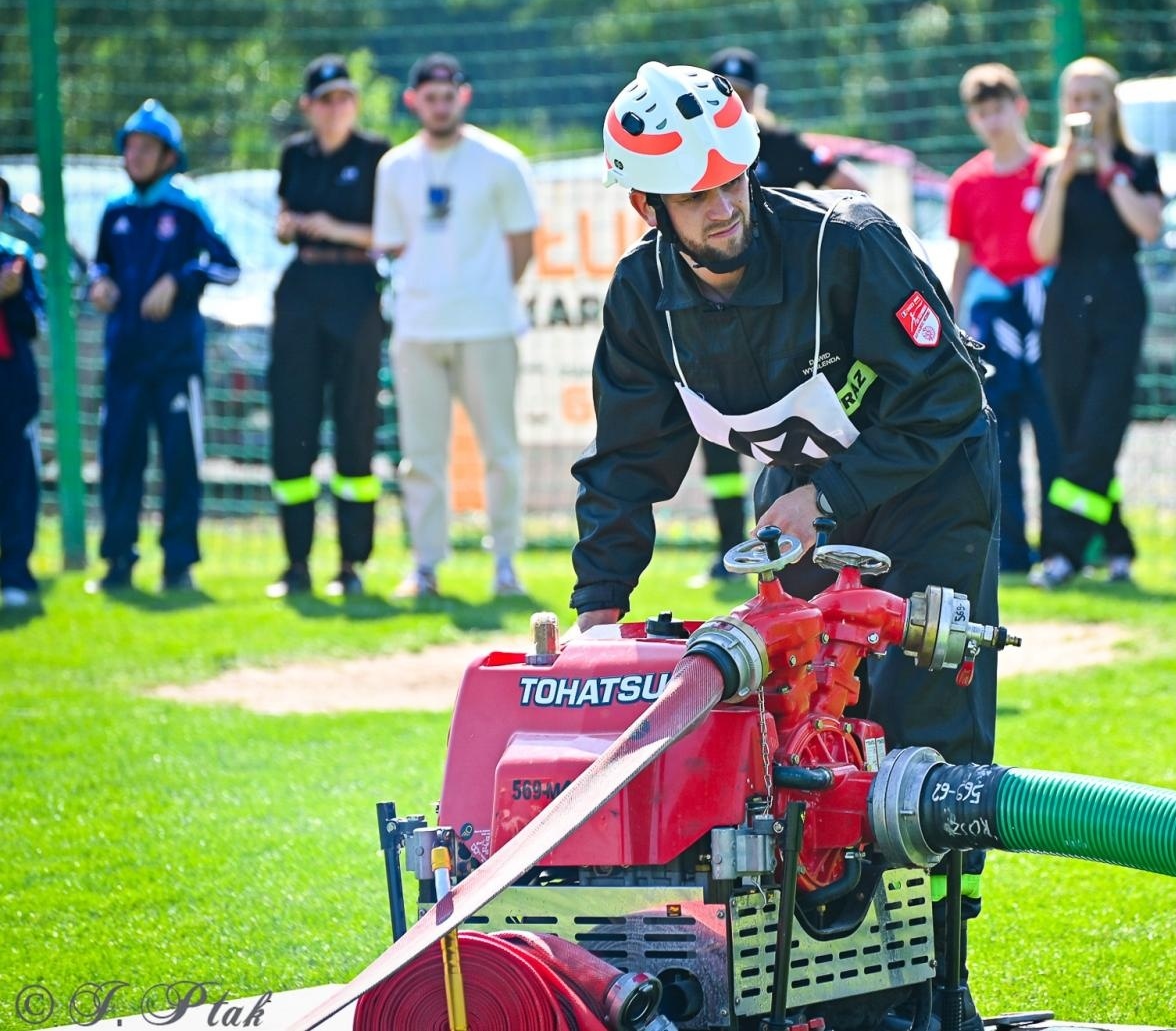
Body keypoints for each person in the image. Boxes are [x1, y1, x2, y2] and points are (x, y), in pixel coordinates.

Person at [572, 61, 997, 1028]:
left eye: (733, 179)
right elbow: (626, 464)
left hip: (927, 488)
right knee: (788, 729)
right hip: (800, 505)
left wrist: (830, 496)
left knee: (924, 730)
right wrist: (600, 608)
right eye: (695, 193)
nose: (724, 206)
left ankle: (934, 987)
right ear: (648, 204)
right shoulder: (642, 298)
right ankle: (809, 978)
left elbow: (947, 396)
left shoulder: (844, 243)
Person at [684, 47, 870, 585]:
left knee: (797, 433)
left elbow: (849, 185)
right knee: (717, 437)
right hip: (718, 314)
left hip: (785, 309)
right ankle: (727, 550)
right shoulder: (690, 157)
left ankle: (800, 546)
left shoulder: (780, 144)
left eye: (743, 93)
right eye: (725, 91)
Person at [372, 53, 540, 599]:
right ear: (413, 100)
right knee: (421, 455)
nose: (439, 106)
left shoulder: (500, 160)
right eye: (430, 97)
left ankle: (506, 564)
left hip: (487, 325)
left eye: (448, 96)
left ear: (462, 97)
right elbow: (394, 244)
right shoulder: (395, 166)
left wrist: (488, 294)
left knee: (500, 450)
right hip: (417, 328)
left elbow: (522, 243)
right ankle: (425, 567)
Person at [86, 99, 239, 594]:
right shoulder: (115, 211)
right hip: (125, 359)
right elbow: (98, 265)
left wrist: (179, 279)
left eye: (146, 147)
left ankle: (179, 565)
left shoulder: (186, 206)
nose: (135, 156)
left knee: (179, 461)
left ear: (169, 155)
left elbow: (227, 266)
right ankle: (117, 563)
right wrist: (100, 284)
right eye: (129, 146)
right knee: (119, 460)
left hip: (175, 361)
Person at [1027, 56, 1164, 588]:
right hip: (1065, 306)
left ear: (1112, 104)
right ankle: (1116, 543)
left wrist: (1109, 171)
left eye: (1094, 98)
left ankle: (1061, 552)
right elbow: (1043, 248)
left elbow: (1149, 227)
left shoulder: (1137, 162)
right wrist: (1062, 180)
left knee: (1100, 430)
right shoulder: (1050, 169)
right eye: (1074, 98)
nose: (1083, 108)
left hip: (1119, 303)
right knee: (1072, 430)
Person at [264, 55, 391, 600]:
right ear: (308, 106)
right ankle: (295, 565)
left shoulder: (378, 155)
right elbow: (284, 218)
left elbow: (390, 233)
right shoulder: (295, 154)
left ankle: (351, 564)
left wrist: (331, 227)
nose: (337, 108)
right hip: (301, 294)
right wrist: (290, 226)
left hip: (355, 293)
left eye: (345, 97)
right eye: (326, 99)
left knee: (356, 428)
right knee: (292, 427)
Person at [947, 63, 1065, 573]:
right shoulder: (967, 182)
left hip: (1047, 316)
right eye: (980, 112)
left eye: (998, 108)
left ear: (1020, 106)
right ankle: (1013, 549)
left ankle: (1068, 545)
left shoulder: (1051, 168)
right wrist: (952, 316)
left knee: (1056, 430)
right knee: (1002, 437)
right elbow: (965, 256)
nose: (991, 120)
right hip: (993, 322)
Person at [0, 176, 44, 608]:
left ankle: (15, 571)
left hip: (11, 383)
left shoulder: (15, 257)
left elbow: (37, 321)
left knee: (16, 478)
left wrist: (12, 295)